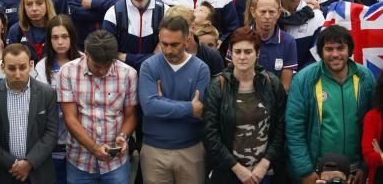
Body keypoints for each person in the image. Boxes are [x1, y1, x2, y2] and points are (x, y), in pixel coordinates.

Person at [286, 25, 374, 182]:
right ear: (321, 52)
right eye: (329, 49)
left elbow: (373, 127)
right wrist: (305, 171)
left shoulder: (365, 77)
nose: (335, 54)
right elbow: (294, 129)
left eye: (341, 48)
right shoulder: (304, 79)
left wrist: (364, 166)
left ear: (349, 50)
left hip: (355, 172)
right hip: (317, 172)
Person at [203, 26, 286, 184]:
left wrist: (265, 164)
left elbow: (280, 128)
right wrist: (237, 168)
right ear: (230, 53)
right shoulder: (218, 85)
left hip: (263, 173)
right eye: (237, 51)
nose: (242, 57)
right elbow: (210, 133)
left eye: (248, 52)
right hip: (228, 173)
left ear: (257, 54)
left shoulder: (271, 83)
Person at [58, 29, 138, 183]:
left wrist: (123, 137)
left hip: (116, 164)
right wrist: (93, 148)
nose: (101, 71)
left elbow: (131, 115)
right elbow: (70, 117)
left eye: (106, 66)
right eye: (96, 66)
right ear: (86, 54)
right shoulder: (67, 72)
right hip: (79, 161)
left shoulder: (129, 74)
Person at [139, 14, 210, 184]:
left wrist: (162, 102)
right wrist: (188, 108)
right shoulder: (148, 66)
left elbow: (200, 112)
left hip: (191, 150)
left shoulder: (201, 69)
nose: (168, 50)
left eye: (175, 44)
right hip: (154, 151)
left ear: (187, 40)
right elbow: (149, 107)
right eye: (164, 44)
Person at [0, 42, 58, 184]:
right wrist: (12, 163)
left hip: (39, 174)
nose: (18, 74)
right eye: (12, 68)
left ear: (31, 65)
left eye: (22, 67)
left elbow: (51, 133)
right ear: (2, 67)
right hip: (3, 173)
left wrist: (29, 162)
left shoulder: (47, 93)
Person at [36, 15, 81, 184]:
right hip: (51, 141)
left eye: (64, 36)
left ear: (72, 37)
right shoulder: (42, 66)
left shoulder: (84, 61)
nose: (60, 42)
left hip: (79, 142)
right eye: (55, 37)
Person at [102, 0, 165, 69]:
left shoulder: (165, 12)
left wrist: (124, 56)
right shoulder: (113, 13)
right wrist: (152, 58)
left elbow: (169, 55)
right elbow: (107, 54)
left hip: (155, 74)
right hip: (122, 75)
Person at [7, 0, 57, 64]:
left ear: (47, 4)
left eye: (39, 3)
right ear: (23, 7)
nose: (34, 9)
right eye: (29, 4)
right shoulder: (16, 30)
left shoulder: (57, 28)